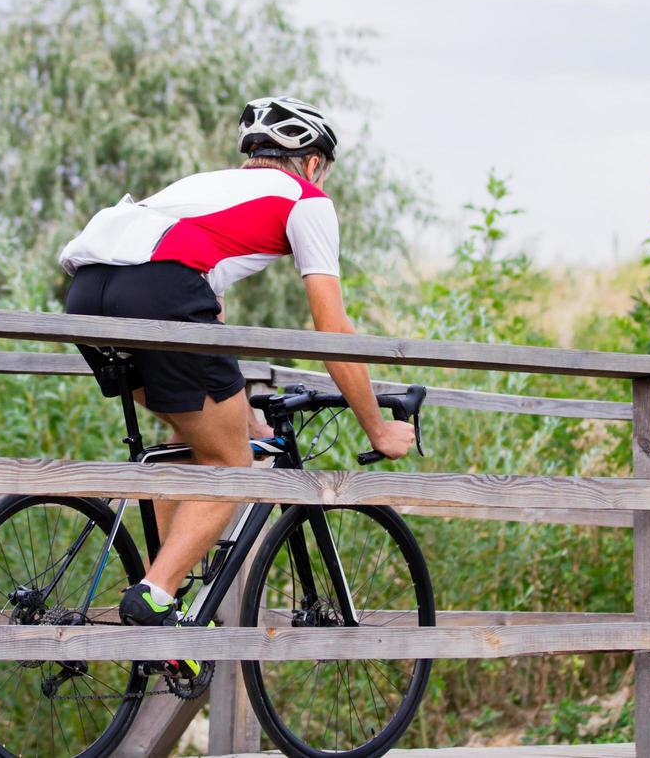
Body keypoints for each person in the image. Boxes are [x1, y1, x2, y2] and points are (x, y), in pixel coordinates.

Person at [58, 95, 416, 629]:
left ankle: (162, 595)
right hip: (161, 288)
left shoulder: (204, 187)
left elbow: (208, 319)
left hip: (88, 291)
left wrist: (247, 418)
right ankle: (155, 595)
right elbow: (334, 330)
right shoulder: (307, 198)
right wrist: (377, 427)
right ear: (314, 163)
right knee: (232, 465)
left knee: (203, 441)